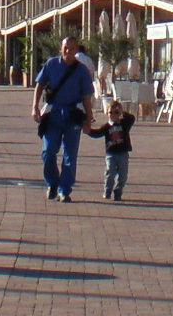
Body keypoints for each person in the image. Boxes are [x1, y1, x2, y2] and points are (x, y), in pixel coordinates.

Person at [33, 35, 95, 202]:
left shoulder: (81, 70)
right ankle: (52, 182)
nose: (68, 51)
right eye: (65, 48)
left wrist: (88, 119)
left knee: (70, 154)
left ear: (76, 50)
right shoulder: (52, 64)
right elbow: (39, 85)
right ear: (61, 49)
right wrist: (35, 107)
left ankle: (64, 189)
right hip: (53, 113)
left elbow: (87, 96)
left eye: (72, 48)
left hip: (73, 114)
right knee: (48, 151)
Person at [86, 99, 135, 201]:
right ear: (107, 113)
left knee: (123, 175)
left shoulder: (124, 124)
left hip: (122, 153)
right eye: (110, 112)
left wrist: (122, 111)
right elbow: (97, 133)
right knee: (110, 173)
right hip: (111, 154)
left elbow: (132, 118)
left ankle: (118, 191)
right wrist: (88, 131)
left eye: (116, 112)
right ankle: (107, 191)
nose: (113, 115)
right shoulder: (107, 127)